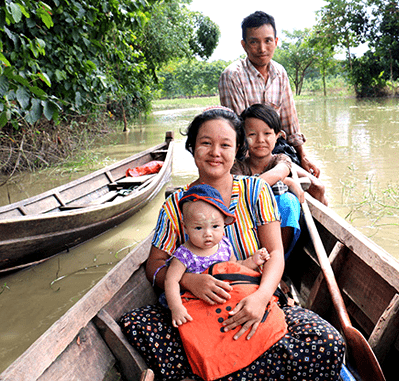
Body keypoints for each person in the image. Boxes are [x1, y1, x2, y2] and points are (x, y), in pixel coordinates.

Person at [120, 106, 345, 381]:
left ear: (238, 149)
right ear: (192, 148)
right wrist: (190, 281)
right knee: (137, 323)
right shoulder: (175, 206)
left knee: (327, 342)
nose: (215, 152)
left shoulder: (255, 190)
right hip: (201, 311)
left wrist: (261, 298)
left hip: (253, 300)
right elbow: (154, 266)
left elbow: (275, 253)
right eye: (206, 143)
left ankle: (224, 372)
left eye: (225, 145)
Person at [218, 10, 324, 198]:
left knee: (318, 187)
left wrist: (303, 157)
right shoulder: (232, 75)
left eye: (267, 41)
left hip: (277, 150)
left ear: (275, 42)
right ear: (244, 45)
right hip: (246, 154)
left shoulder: (279, 72)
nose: (262, 48)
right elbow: (238, 132)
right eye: (254, 41)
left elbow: (289, 121)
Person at [164, 183, 269, 327]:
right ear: (186, 228)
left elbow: (235, 267)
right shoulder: (184, 255)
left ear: (223, 225)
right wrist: (176, 308)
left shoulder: (224, 245)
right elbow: (171, 281)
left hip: (222, 301)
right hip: (195, 304)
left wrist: (254, 260)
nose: (208, 233)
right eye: (199, 227)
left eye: (215, 226)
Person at [232, 103, 307, 258]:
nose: (260, 140)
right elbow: (244, 189)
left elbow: (279, 173)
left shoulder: (281, 160)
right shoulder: (237, 167)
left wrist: (284, 180)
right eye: (252, 134)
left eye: (267, 133)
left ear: (278, 135)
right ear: (243, 137)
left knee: (288, 201)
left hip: (275, 240)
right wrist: (289, 182)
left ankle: (277, 260)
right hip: (248, 235)